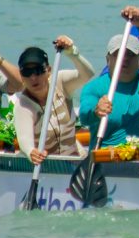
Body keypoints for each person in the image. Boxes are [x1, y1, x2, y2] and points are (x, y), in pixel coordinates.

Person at [79, 6, 139, 148]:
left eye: (130, 54)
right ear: (107, 59)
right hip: (105, 160)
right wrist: (95, 110)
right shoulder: (95, 88)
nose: (124, 59)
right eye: (118, 54)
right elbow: (84, 116)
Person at [12, 36, 95, 164]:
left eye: (38, 70)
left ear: (49, 71)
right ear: (22, 77)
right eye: (27, 72)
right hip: (47, 166)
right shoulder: (23, 105)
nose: (33, 77)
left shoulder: (60, 82)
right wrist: (31, 152)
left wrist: (72, 52)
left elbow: (88, 74)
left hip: (76, 158)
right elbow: (24, 139)